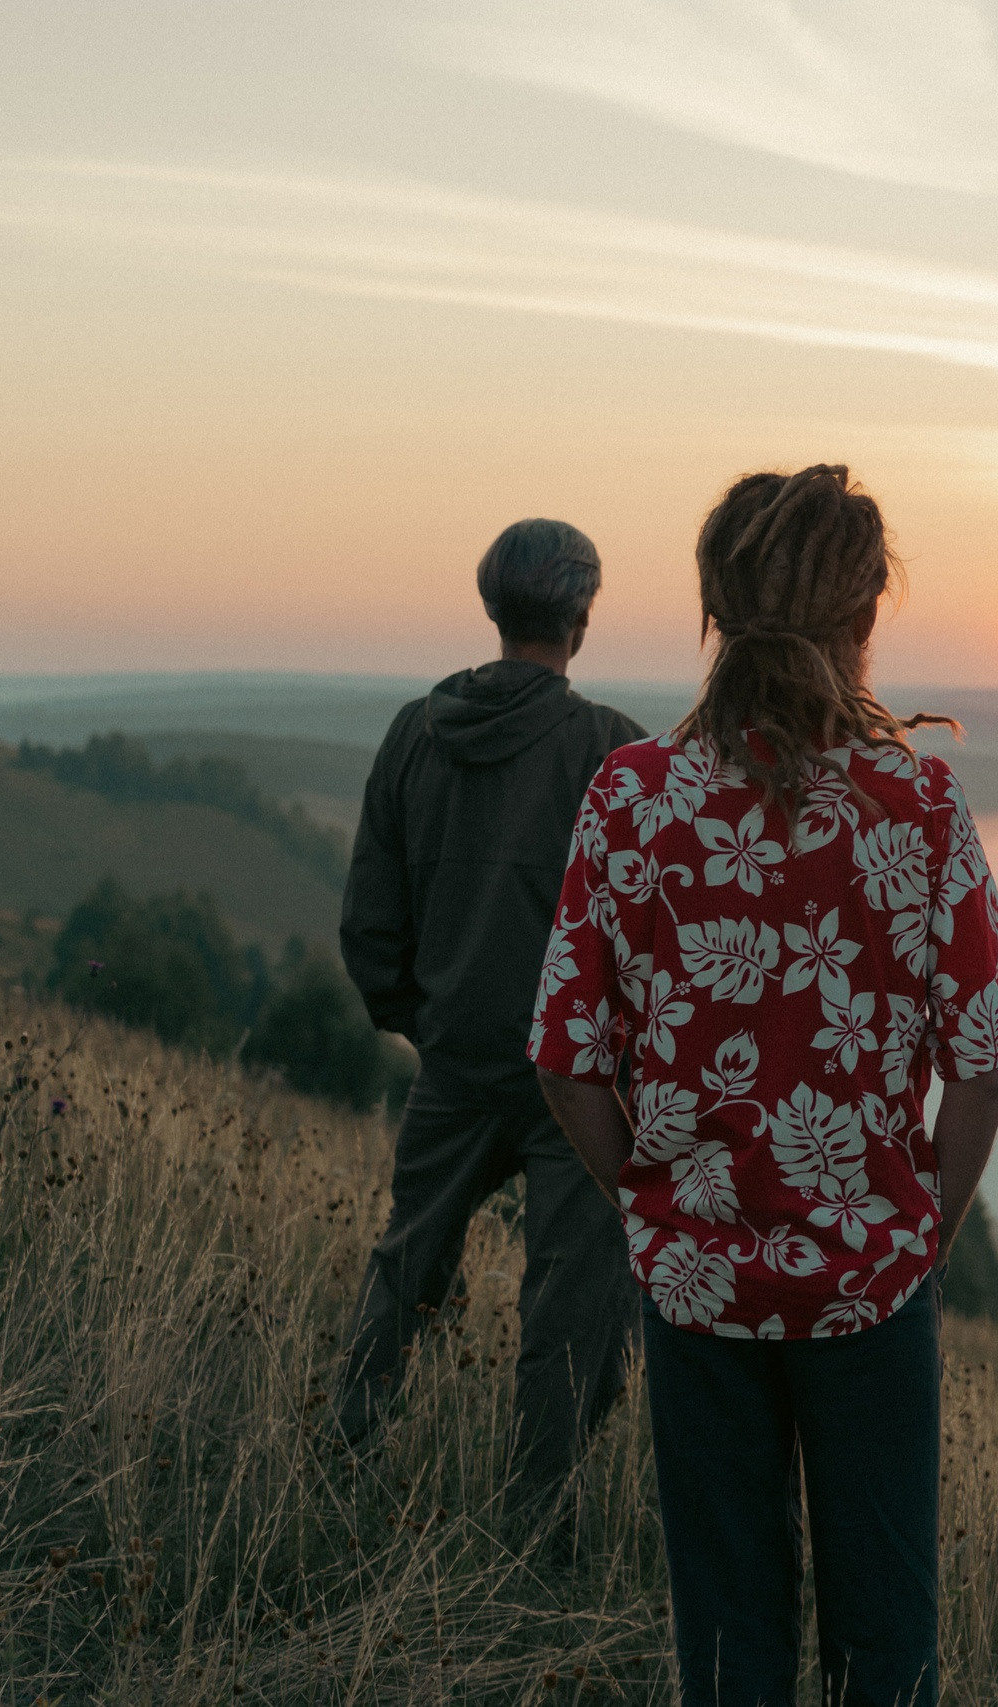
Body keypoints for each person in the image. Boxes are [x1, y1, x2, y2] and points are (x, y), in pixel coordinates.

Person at [530, 464, 998, 1707]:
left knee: (727, 1640)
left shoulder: (635, 797)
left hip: (696, 1289)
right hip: (870, 1286)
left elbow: (563, 1058)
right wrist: (926, 1234)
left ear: (713, 607)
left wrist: (653, 1207)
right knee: (886, 1645)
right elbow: (979, 1066)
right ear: (863, 621)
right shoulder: (913, 803)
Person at [335, 518, 648, 1493]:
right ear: (582, 618)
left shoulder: (413, 735)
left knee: (404, 1269)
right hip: (583, 1085)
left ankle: (340, 1457)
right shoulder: (612, 751)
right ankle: (536, 1528)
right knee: (571, 1307)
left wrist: (430, 1024)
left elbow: (369, 928)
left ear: (491, 605)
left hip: (455, 1061)